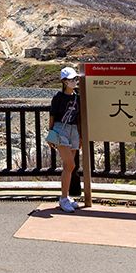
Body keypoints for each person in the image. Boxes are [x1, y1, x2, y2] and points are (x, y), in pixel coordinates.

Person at [47, 66, 82, 213]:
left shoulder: (77, 96)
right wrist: (50, 135)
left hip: (73, 130)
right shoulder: (58, 97)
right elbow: (52, 116)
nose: (74, 81)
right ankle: (63, 198)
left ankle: (65, 197)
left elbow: (78, 117)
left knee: (69, 167)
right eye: (71, 79)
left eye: (75, 78)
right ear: (64, 81)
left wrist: (80, 135)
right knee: (70, 164)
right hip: (60, 130)